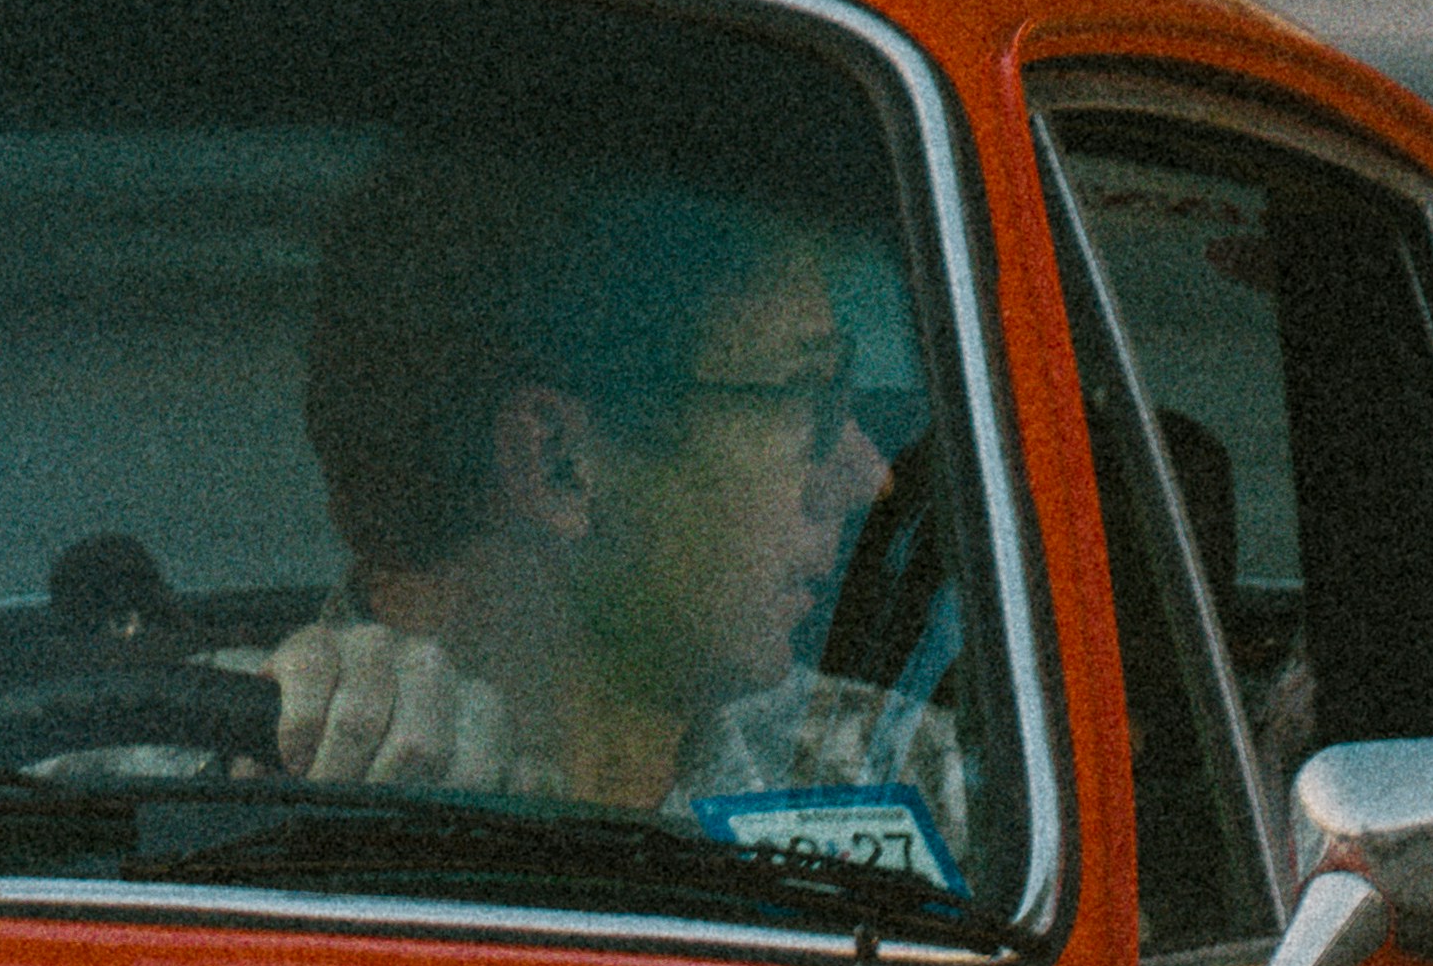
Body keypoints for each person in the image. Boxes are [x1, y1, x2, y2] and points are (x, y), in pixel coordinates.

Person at [256, 145, 975, 878]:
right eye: (805, 393)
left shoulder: (913, 777)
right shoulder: (201, 776)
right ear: (560, 464)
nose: (868, 475)